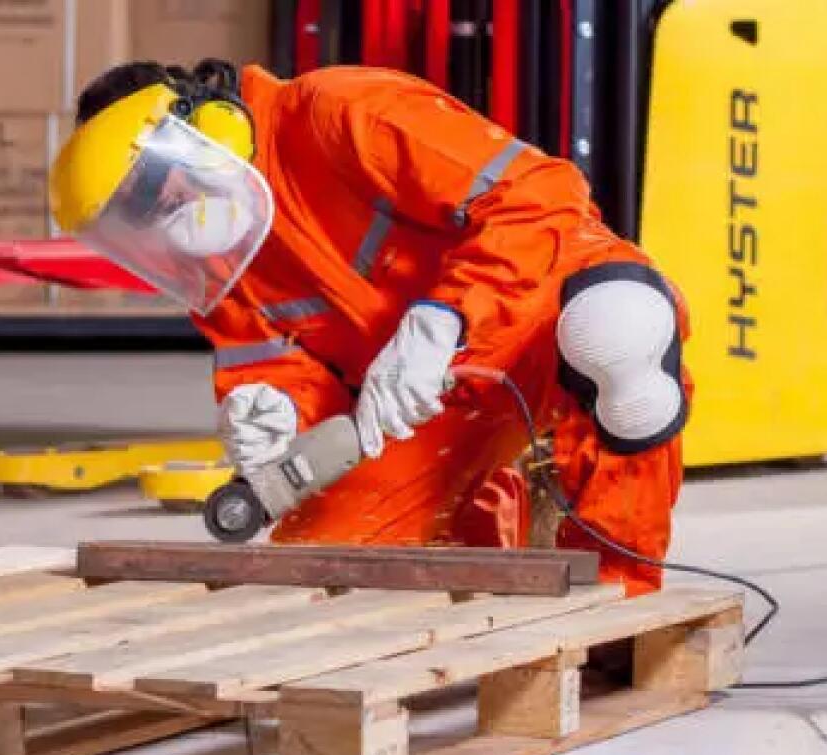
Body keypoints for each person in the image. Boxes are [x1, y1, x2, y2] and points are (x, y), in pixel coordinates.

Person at [49, 59, 693, 596]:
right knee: (317, 582)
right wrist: (270, 415)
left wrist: (445, 314)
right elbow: (279, 368)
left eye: (161, 187)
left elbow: (541, 194)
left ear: (208, 125)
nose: (169, 216)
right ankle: (497, 564)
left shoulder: (340, 111)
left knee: (618, 329)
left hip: (532, 315)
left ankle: (618, 601)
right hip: (424, 406)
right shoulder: (216, 255)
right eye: (140, 215)